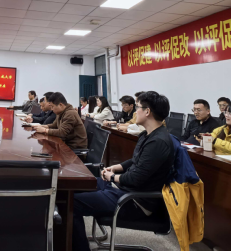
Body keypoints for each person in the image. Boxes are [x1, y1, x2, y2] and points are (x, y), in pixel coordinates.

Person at [72, 91, 175, 251]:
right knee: (74, 187)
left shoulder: (159, 142)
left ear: (147, 112)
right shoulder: (147, 135)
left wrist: (112, 177)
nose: (135, 112)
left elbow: (135, 178)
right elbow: (135, 160)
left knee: (72, 204)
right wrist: (116, 167)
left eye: (138, 107)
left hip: (134, 201)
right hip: (125, 190)